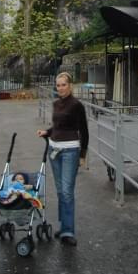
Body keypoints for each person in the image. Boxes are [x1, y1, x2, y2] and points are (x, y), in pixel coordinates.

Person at [37, 71, 89, 247]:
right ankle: (64, 226)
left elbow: (84, 131)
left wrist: (83, 154)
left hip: (70, 152)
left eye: (63, 84)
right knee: (60, 191)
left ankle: (68, 231)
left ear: (70, 86)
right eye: (58, 85)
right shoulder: (56, 103)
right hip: (54, 150)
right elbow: (57, 126)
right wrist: (47, 132)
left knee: (67, 191)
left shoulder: (77, 105)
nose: (60, 88)